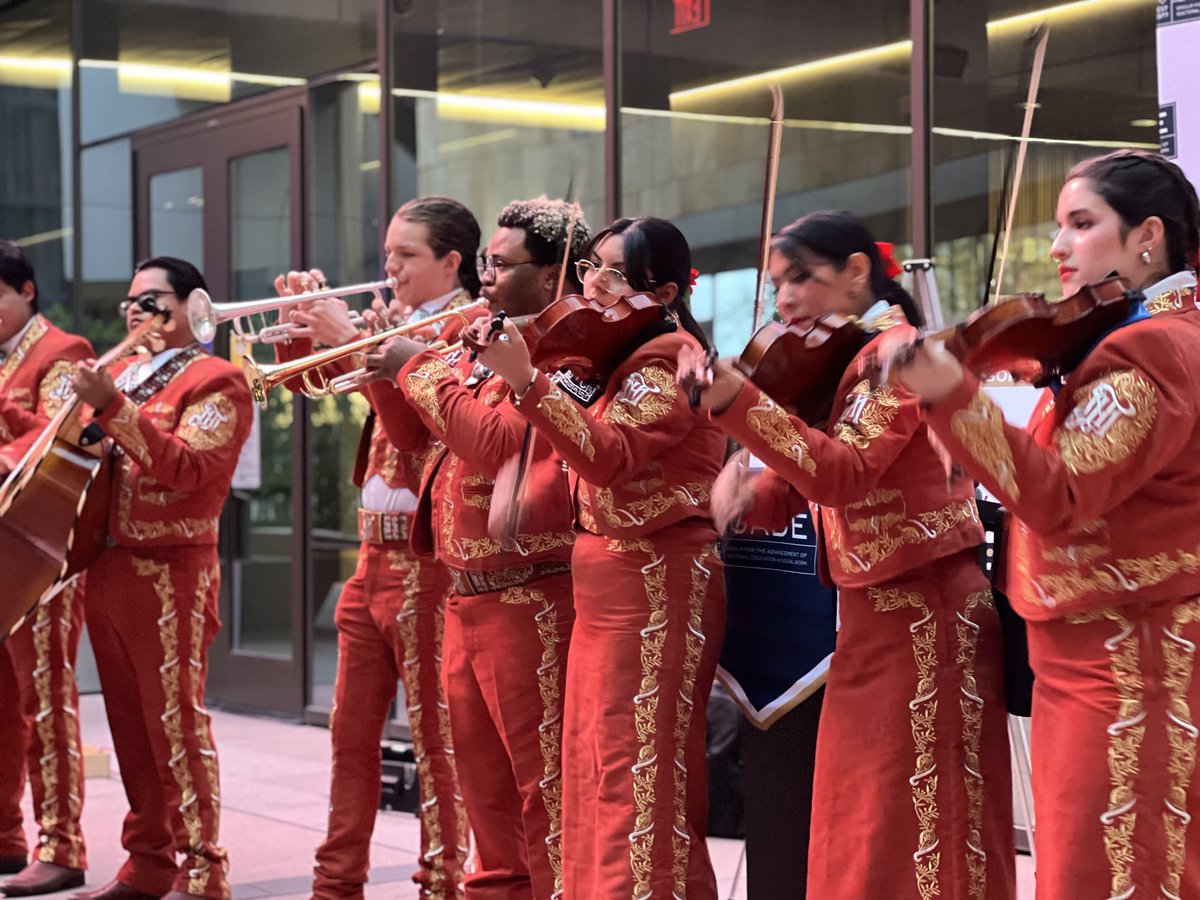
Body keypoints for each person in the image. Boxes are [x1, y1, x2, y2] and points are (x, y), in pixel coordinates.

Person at [678, 211, 1016, 899]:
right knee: (859, 818)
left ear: (858, 272)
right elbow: (808, 483)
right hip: (871, 619)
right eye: (777, 284)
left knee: (925, 823)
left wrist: (740, 402)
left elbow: (845, 471)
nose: (786, 300)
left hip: (928, 618)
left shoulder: (897, 354)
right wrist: (750, 491)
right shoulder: (846, 360)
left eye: (802, 278)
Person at [890, 149, 1200, 897]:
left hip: (1128, 664)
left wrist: (955, 397)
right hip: (1103, 656)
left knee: (1116, 874)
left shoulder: (1150, 351)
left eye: (1082, 224)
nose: (1058, 248)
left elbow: (1059, 497)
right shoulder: (1137, 336)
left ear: (1146, 236)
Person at [474, 216, 727, 898]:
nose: (591, 283)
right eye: (589, 267)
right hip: (605, 580)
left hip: (657, 578)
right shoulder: (605, 361)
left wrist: (528, 380)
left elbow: (608, 458)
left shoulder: (666, 360)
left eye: (612, 273)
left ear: (665, 290)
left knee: (637, 770)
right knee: (590, 766)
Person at [364, 197, 587, 898]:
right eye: (486, 260)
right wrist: (394, 369)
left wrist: (415, 367)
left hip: (532, 595)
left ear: (555, 274)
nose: (485, 274)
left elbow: (493, 445)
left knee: (542, 793)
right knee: (483, 794)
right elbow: (424, 436)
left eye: (501, 262)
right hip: (466, 592)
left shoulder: (571, 353)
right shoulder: (493, 340)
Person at [273, 195, 481, 900]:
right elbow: (308, 383)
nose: (388, 267)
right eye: (388, 252)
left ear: (452, 262)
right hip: (370, 558)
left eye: (406, 255)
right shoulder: (396, 321)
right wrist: (300, 329)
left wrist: (366, 346)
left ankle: (444, 883)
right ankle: (336, 884)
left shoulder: (469, 328)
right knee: (350, 734)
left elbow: (421, 428)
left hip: (428, 563)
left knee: (436, 740)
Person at [68, 256, 252, 900]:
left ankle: (204, 866)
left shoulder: (217, 379)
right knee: (127, 725)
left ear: (188, 304)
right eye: (130, 302)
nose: (134, 313)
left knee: (173, 723)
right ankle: (148, 859)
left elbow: (190, 471)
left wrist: (111, 407)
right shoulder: (122, 372)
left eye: (150, 300)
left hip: (171, 570)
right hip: (107, 562)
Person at [0, 242, 92, 897]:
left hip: (43, 553)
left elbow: (57, 439)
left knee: (49, 700)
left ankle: (61, 843)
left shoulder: (65, 352)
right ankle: (6, 835)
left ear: (26, 291)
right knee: (4, 702)